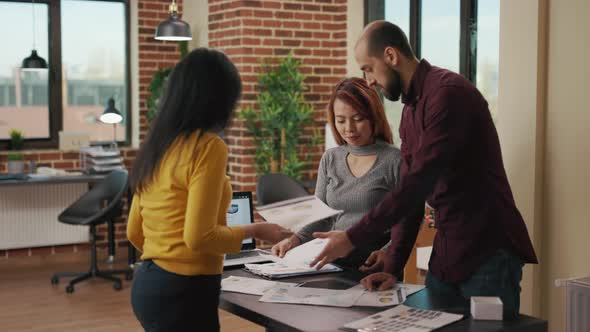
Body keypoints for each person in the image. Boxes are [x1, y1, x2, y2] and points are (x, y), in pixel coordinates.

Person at [310, 21, 538, 318]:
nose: (368, 80)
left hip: (487, 251)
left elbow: (418, 181)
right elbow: (411, 195)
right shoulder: (410, 112)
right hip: (447, 254)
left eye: (368, 68)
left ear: (390, 56)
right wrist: (392, 265)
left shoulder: (448, 94)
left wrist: (352, 237)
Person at [126, 48, 291, 332]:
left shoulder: (159, 145)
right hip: (185, 291)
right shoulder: (209, 147)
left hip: (149, 284)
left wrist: (166, 253)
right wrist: (257, 231)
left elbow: (134, 232)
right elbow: (199, 237)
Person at [271, 77, 413, 274]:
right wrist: (293, 240)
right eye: (341, 120)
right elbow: (321, 216)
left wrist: (388, 252)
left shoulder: (394, 160)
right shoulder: (331, 158)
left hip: (374, 266)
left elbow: (409, 219)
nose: (349, 129)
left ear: (374, 117)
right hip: (330, 264)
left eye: (358, 119)